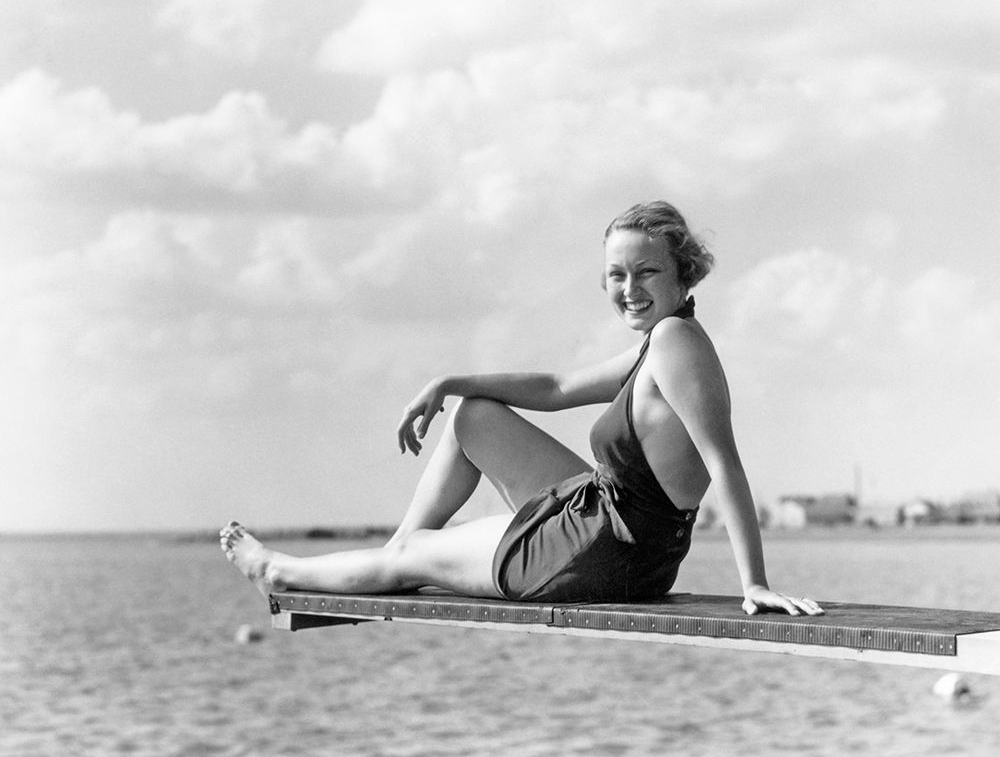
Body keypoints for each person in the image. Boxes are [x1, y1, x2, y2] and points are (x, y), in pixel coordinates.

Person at [221, 201, 823, 617]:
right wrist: (448, 381)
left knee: (414, 556)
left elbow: (726, 466)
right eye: (616, 274)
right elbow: (559, 387)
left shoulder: (676, 345)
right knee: (473, 414)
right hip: (608, 521)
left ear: (682, 274)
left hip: (608, 552)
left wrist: (756, 584)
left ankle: (282, 573)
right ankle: (391, 559)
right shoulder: (661, 341)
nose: (630, 288)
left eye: (647, 272)